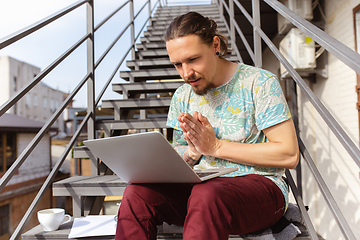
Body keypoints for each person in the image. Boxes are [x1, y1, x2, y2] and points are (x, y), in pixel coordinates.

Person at [115, 11, 299, 240]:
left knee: (208, 193)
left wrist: (215, 146)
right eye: (177, 64)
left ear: (215, 45)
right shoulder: (182, 96)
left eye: (193, 59)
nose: (186, 73)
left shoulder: (259, 83)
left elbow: (288, 154)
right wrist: (192, 152)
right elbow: (178, 153)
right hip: (201, 194)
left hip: (261, 190)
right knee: (137, 193)